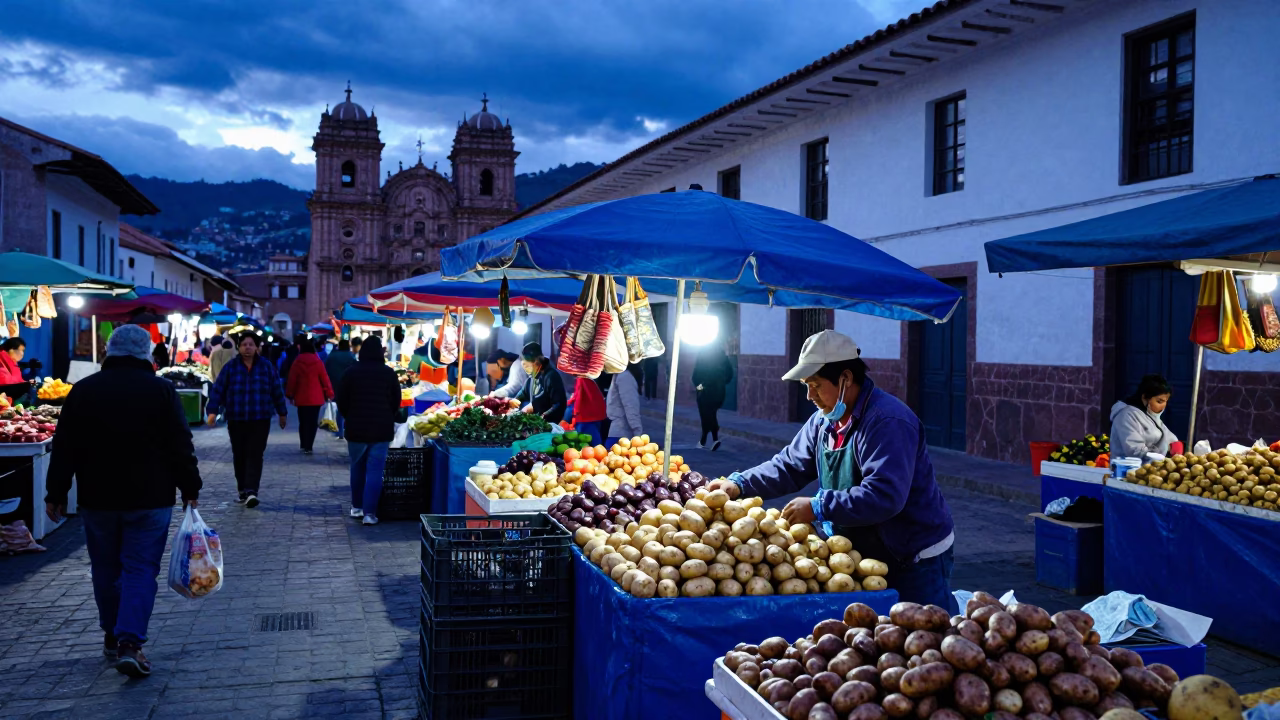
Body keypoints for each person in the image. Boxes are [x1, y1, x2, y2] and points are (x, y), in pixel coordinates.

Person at [706, 330, 956, 610]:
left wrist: (818, 506)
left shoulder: (888, 422)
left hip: (913, 556)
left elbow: (885, 496)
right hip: (860, 553)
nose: (809, 395)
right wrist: (740, 484)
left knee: (926, 638)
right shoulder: (823, 421)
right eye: (806, 386)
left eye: (815, 385)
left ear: (846, 379)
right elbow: (789, 465)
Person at [44, 324, 202, 678]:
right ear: (146, 352)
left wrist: (55, 493)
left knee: (105, 567)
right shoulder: (161, 391)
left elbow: (64, 447)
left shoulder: (83, 391)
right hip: (150, 497)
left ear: (110, 351)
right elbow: (181, 446)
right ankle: (130, 643)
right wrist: (190, 488)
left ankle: (112, 634)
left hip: (98, 498)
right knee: (140, 568)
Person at [205, 333, 287, 508]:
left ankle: (251, 491)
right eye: (244, 345)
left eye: (251, 344)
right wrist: (212, 411)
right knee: (240, 454)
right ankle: (242, 489)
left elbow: (276, 390)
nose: (247, 348)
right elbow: (218, 389)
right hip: (237, 418)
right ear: (239, 347)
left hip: (260, 418)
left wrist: (282, 413)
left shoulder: (266, 367)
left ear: (257, 347)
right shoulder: (231, 367)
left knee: (255, 454)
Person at [335, 336, 400, 525]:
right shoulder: (388, 373)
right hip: (381, 429)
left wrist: (350, 416)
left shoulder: (350, 372)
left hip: (356, 429)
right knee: (375, 471)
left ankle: (357, 507)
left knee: (357, 467)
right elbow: (396, 401)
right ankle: (370, 514)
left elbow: (341, 400)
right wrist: (389, 415)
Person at [1111, 374, 1178, 458]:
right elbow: (1135, 451)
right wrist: (1166, 448)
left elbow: (1166, 436)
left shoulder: (1149, 415)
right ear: (1144, 398)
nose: (1163, 406)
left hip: (1152, 468)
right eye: (1159, 401)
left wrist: (1175, 444)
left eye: (1165, 401)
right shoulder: (1125, 416)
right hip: (1129, 468)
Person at [285, 338, 333, 454]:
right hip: (316, 398)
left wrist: (290, 394)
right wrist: (329, 393)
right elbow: (324, 379)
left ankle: (303, 443)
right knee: (312, 422)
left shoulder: (297, 362)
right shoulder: (318, 362)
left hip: (301, 398)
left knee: (303, 421)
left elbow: (292, 380)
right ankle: (309, 446)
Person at [692, 344, 734, 450]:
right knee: (711, 413)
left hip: (706, 389)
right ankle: (704, 440)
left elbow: (697, 372)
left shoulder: (703, 354)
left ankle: (712, 439)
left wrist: (698, 384)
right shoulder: (722, 356)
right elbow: (730, 373)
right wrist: (723, 381)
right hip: (719, 390)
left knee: (706, 414)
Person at [513, 342, 567, 424]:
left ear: (537, 362)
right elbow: (522, 394)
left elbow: (559, 404)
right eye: (523, 366)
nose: (525, 369)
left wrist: (542, 418)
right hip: (535, 424)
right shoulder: (530, 380)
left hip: (549, 425)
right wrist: (513, 402)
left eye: (526, 366)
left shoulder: (552, 377)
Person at [324, 339, 359, 439]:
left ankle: (339, 430)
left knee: (339, 407)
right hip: (348, 385)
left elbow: (325, 369)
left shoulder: (332, 356)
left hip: (334, 385)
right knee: (346, 408)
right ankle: (345, 429)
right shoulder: (350, 356)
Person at [607, 362, 644, 440]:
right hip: (621, 433)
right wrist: (638, 432)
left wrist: (637, 433)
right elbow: (631, 406)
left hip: (622, 434)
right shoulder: (624, 376)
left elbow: (630, 406)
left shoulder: (624, 376)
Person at [567, 375, 607, 444]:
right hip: (596, 415)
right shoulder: (588, 377)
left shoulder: (581, 378)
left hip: (586, 418)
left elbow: (578, 398)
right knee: (596, 442)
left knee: (590, 444)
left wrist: (574, 415)